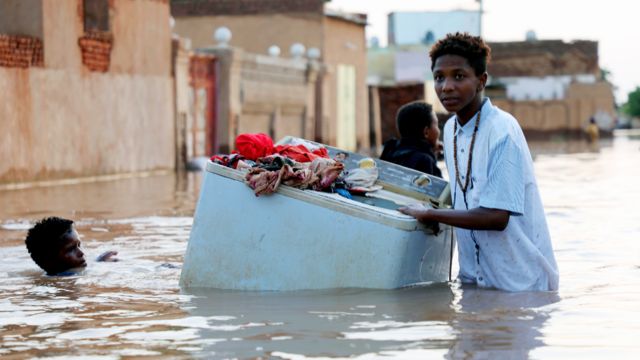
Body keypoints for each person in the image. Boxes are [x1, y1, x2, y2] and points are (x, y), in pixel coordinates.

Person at [399, 32, 559, 292]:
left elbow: (497, 216)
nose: (446, 86)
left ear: (481, 80)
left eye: (458, 76)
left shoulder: (502, 131)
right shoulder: (449, 130)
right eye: (439, 77)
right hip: (473, 281)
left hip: (520, 285)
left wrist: (430, 214)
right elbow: (466, 199)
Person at [25, 217, 117, 276]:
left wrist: (99, 260)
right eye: (71, 249)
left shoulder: (64, 273)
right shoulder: (62, 284)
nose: (81, 253)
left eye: (79, 245)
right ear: (49, 260)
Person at [380, 101, 442, 177]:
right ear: (426, 132)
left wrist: (432, 152)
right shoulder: (425, 161)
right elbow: (437, 186)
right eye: (437, 125)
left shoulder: (390, 151)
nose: (439, 131)